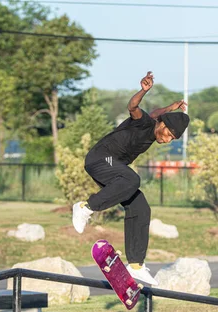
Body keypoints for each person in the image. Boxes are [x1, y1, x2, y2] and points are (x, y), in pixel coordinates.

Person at [72, 71, 190, 286]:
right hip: (101, 158)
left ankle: (135, 265)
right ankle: (85, 207)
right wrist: (143, 91)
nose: (168, 140)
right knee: (132, 179)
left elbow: (157, 112)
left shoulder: (156, 122)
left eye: (172, 139)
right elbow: (133, 107)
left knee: (140, 207)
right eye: (169, 135)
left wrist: (171, 108)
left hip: (113, 170)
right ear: (163, 126)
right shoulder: (142, 122)